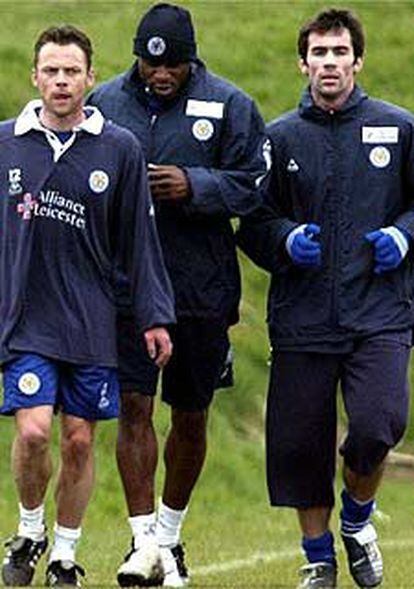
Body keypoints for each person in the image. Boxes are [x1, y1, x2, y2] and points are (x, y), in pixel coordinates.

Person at [87, 3, 269, 586]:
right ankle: (143, 544)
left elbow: (254, 187)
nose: (161, 76)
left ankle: (170, 536)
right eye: (150, 65)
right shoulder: (105, 105)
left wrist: (196, 184)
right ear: (137, 58)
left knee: (190, 417)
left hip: (200, 290)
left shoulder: (232, 105)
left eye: (174, 67)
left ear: (192, 61)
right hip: (126, 290)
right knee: (133, 409)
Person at [237, 8, 414, 589]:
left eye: (340, 53)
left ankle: (358, 520)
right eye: (319, 53)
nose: (329, 63)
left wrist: (402, 235)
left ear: (358, 61)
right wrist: (284, 239)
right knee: (298, 448)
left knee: (377, 424)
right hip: (304, 315)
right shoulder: (280, 136)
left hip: (379, 312)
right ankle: (318, 558)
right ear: (303, 62)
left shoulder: (398, 127)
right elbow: (254, 220)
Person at [0, 25, 174, 588]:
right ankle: (30, 531)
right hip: (25, 318)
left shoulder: (119, 147)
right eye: (51, 70)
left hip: (92, 319)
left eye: (71, 71)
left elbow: (139, 243)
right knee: (32, 433)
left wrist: (153, 315)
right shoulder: (6, 143)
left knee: (78, 438)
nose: (60, 81)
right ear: (35, 77)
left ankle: (65, 556)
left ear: (90, 79)